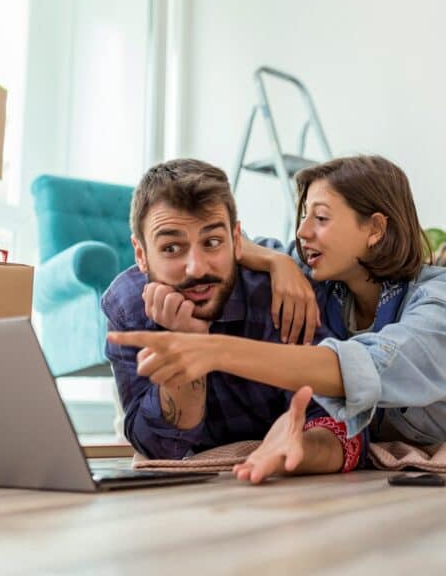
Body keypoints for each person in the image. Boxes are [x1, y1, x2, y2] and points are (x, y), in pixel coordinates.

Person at [109, 155, 446, 484]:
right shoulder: (315, 279)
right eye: (303, 218)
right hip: (400, 406)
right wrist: (277, 262)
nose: (301, 233)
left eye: (319, 218)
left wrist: (210, 350)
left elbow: (360, 366)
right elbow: (247, 246)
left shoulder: (433, 299)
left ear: (374, 229)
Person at [103, 159, 365, 474]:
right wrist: (187, 342)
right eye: (172, 248)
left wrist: (301, 451)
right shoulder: (127, 305)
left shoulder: (281, 295)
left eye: (212, 243)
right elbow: (160, 450)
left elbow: (341, 425)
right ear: (141, 255)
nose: (196, 268)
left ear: (237, 240)